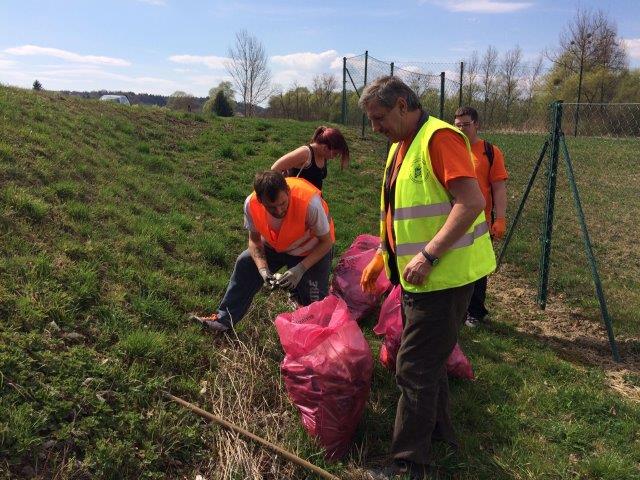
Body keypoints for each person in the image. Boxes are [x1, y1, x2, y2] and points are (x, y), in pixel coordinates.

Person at [359, 76, 496, 479]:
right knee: (430, 362)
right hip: (420, 280)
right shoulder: (400, 146)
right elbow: (399, 211)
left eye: (380, 117)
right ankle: (441, 435)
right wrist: (383, 253)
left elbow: (471, 202)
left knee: (414, 369)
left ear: (403, 105)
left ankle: (407, 466)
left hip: (444, 279)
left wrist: (429, 255)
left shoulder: (439, 138)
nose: (375, 127)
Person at [190, 171, 335, 332]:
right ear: (260, 200)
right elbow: (254, 240)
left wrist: (300, 269)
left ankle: (314, 337)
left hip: (312, 249)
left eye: (283, 204)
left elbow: (326, 242)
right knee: (245, 263)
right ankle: (223, 320)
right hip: (277, 245)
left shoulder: (310, 203)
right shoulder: (251, 204)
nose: (279, 211)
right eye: (271, 207)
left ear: (288, 191)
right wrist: (263, 269)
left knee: (313, 299)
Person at [453, 106, 508, 328]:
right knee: (455, 266)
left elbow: (499, 188)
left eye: (466, 124)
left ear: (477, 125)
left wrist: (500, 218)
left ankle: (475, 312)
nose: (461, 129)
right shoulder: (450, 149)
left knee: (477, 269)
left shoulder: (489, 151)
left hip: (480, 222)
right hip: (453, 220)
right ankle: (456, 309)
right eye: (457, 125)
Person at [271, 126, 350, 191]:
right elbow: (275, 168)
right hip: (299, 201)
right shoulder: (305, 153)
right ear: (325, 148)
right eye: (335, 153)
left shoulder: (323, 155)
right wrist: (285, 190)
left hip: (313, 201)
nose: (334, 157)